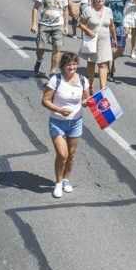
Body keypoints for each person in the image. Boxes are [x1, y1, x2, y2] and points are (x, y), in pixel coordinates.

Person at [41, 52, 91, 199]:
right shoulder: (55, 80)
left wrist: (85, 102)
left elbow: (87, 99)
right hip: (57, 122)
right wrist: (59, 110)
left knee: (71, 155)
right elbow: (45, 101)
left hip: (76, 122)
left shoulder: (83, 80)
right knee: (62, 155)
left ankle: (65, 180)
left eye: (75, 64)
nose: (72, 67)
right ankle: (57, 183)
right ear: (63, 66)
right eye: (69, 64)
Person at [31, 0, 68, 78]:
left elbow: (66, 10)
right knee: (40, 47)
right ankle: (39, 60)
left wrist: (66, 25)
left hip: (58, 25)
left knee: (57, 48)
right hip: (44, 24)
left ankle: (53, 71)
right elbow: (35, 8)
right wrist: (33, 24)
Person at [78, 0, 116, 92]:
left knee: (103, 64)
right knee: (91, 63)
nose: (100, 0)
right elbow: (80, 24)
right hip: (92, 41)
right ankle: (90, 85)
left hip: (104, 41)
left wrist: (114, 39)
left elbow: (112, 26)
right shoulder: (88, 10)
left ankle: (103, 89)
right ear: (94, 0)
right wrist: (87, 30)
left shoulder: (108, 11)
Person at [104, 0, 129, 81]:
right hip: (110, 25)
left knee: (120, 49)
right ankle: (110, 71)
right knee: (111, 48)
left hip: (120, 25)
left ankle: (110, 60)